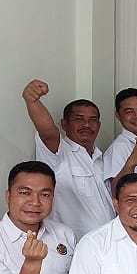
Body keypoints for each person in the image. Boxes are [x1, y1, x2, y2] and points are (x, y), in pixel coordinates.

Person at [22, 79, 113, 238]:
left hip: (106, 242)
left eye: (92, 120)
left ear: (99, 125)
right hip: (71, 244)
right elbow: (48, 133)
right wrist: (33, 101)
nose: (86, 125)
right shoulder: (58, 153)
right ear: (64, 124)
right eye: (79, 119)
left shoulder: (101, 158)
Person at [102, 88, 137, 195]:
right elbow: (116, 191)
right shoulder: (119, 147)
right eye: (129, 112)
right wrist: (131, 164)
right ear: (118, 115)